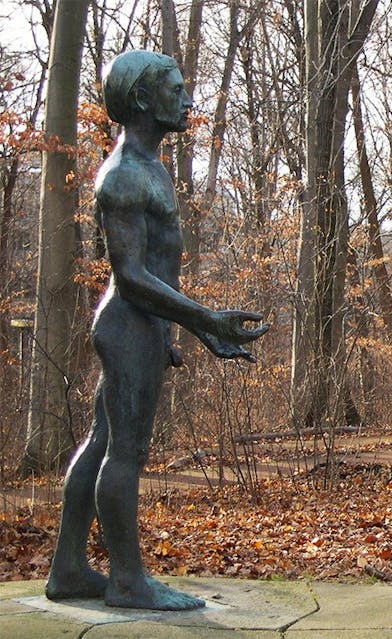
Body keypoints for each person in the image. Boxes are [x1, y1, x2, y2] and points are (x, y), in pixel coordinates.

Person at [45, 50, 268, 610]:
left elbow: (151, 272)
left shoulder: (150, 166)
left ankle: (69, 568)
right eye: (175, 87)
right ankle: (127, 580)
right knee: (127, 453)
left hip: (141, 328)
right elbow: (132, 276)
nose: (188, 97)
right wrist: (201, 318)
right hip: (127, 326)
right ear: (143, 99)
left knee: (101, 443)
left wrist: (180, 331)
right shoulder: (121, 176)